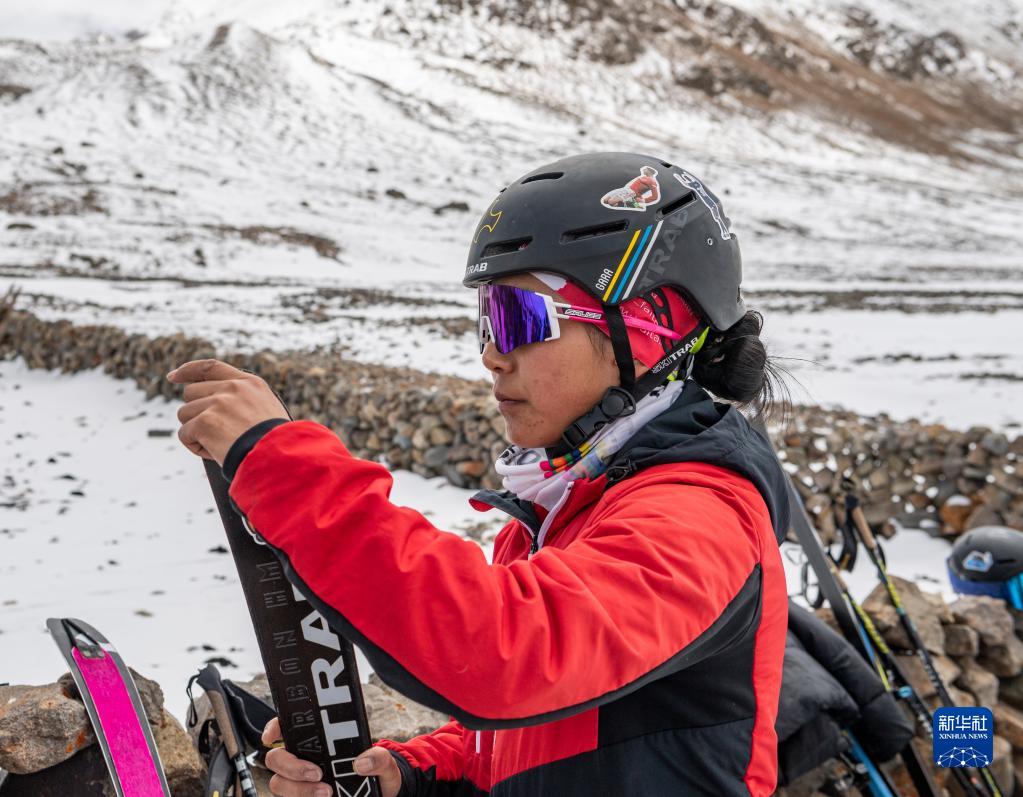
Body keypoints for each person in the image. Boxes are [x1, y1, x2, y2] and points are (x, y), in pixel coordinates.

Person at [168, 152, 790, 796]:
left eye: (521, 319)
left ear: (649, 331)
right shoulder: (565, 509)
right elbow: (527, 745)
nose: (493, 355)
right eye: (487, 320)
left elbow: (509, 655)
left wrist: (284, 469)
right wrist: (406, 778)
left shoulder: (702, 517)